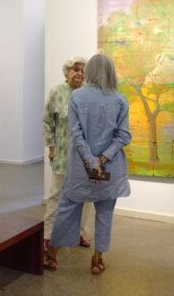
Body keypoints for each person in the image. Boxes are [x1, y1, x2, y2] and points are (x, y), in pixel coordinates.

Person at [45, 54, 131, 275]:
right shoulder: (120, 99)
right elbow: (124, 136)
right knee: (104, 213)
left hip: (80, 168)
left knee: (66, 208)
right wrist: (103, 159)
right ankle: (97, 260)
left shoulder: (77, 97)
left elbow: (76, 135)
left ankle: (52, 255)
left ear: (90, 71)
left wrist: (91, 161)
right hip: (110, 168)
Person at [43, 56, 95, 251]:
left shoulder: (89, 94)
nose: (79, 74)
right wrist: (51, 147)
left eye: (83, 70)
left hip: (85, 156)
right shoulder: (57, 92)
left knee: (85, 197)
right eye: (75, 69)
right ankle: (47, 235)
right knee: (56, 196)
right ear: (67, 72)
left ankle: (81, 232)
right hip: (63, 154)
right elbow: (47, 121)